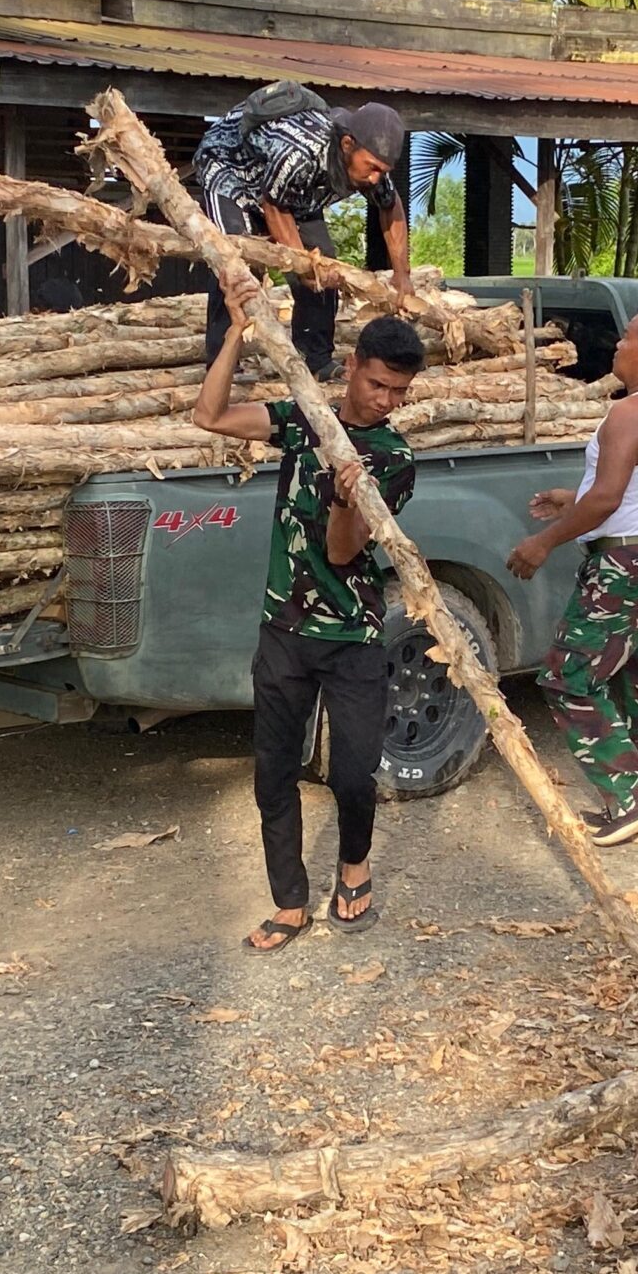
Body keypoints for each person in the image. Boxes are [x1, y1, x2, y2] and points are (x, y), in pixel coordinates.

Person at [192, 296, 426, 952]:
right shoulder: (302, 420)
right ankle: (290, 903)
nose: (386, 400)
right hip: (284, 633)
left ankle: (355, 866)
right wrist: (238, 336)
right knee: (273, 772)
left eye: (399, 391)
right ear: (351, 367)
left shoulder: (394, 459)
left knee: (352, 774)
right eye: (377, 383)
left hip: (352, 635)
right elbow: (207, 415)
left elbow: (343, 552)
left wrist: (351, 496)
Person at [507, 307, 638, 848]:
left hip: (625, 566)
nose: (616, 344)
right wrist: (574, 500)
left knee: (567, 678)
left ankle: (633, 792)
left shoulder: (630, 413)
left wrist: (543, 542)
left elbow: (612, 498)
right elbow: (637, 492)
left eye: (626, 337)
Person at [190, 83, 413, 376]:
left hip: (290, 192)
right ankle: (222, 362)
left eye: (382, 171)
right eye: (371, 167)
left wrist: (402, 275)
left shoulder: (372, 167)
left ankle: (316, 359)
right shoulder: (302, 151)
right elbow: (274, 207)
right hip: (231, 174)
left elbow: (390, 208)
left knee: (325, 264)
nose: (375, 178)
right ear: (347, 144)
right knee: (236, 265)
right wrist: (303, 266)